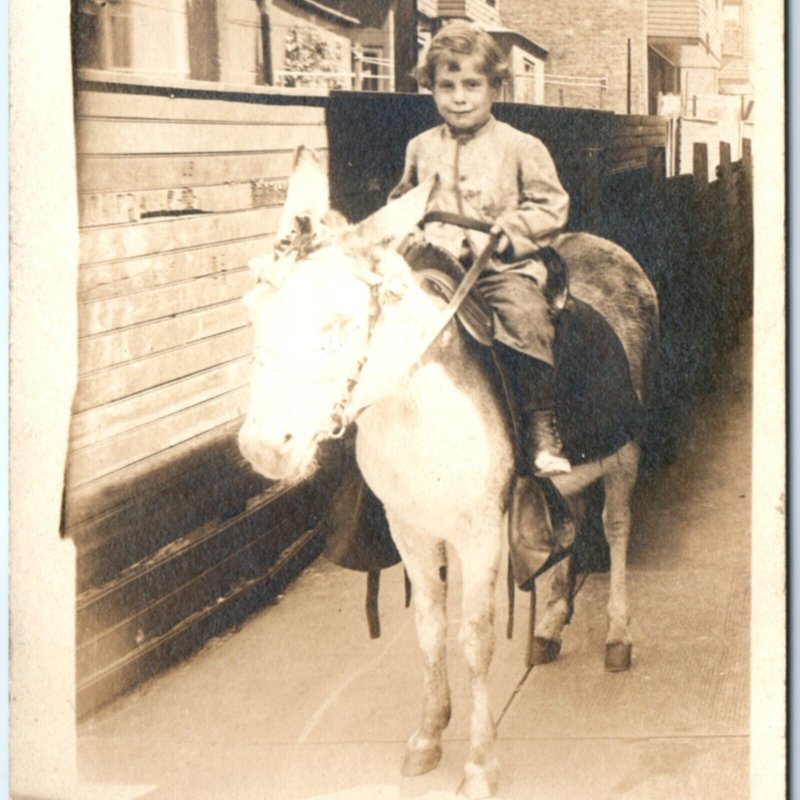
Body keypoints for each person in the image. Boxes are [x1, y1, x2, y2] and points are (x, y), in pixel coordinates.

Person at [390, 20, 572, 478]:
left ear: (495, 87)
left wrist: (507, 234)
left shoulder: (520, 146)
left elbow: (551, 204)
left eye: (472, 84)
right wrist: (406, 232)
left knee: (525, 318)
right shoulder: (419, 147)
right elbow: (402, 202)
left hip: (498, 267)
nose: (459, 96)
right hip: (432, 265)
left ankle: (539, 427)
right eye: (446, 86)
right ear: (430, 89)